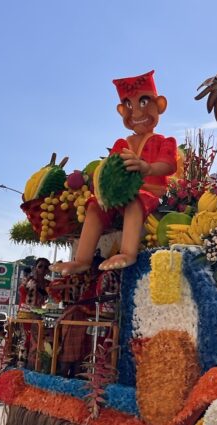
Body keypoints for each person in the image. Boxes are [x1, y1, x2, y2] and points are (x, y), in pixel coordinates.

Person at [52, 70, 177, 275]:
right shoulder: (121, 143)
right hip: (119, 195)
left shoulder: (165, 141)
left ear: (160, 105)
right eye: (129, 106)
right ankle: (82, 260)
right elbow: (109, 171)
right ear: (121, 111)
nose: (136, 113)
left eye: (143, 103)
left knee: (135, 200)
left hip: (152, 194)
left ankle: (128, 252)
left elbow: (168, 165)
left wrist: (148, 168)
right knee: (94, 205)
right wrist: (103, 191)